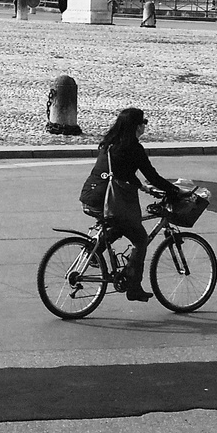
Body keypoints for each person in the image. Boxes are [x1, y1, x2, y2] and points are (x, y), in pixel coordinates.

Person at [80, 107, 183, 302]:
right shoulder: (134, 148)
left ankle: (93, 251)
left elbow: (120, 172)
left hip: (91, 195)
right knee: (140, 238)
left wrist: (143, 188)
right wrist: (174, 191)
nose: (145, 125)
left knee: (119, 225)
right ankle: (134, 287)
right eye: (143, 122)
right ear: (136, 126)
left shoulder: (109, 143)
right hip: (109, 200)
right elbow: (152, 175)